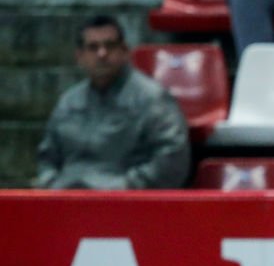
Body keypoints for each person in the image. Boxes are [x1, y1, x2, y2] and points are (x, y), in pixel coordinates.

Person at [36, 15, 190, 190]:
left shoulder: (152, 99)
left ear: (124, 51)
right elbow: (47, 158)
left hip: (125, 203)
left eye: (110, 46)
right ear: (79, 56)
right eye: (93, 48)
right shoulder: (68, 102)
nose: (102, 54)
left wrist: (127, 187)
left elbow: (172, 159)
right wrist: (50, 184)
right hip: (65, 199)